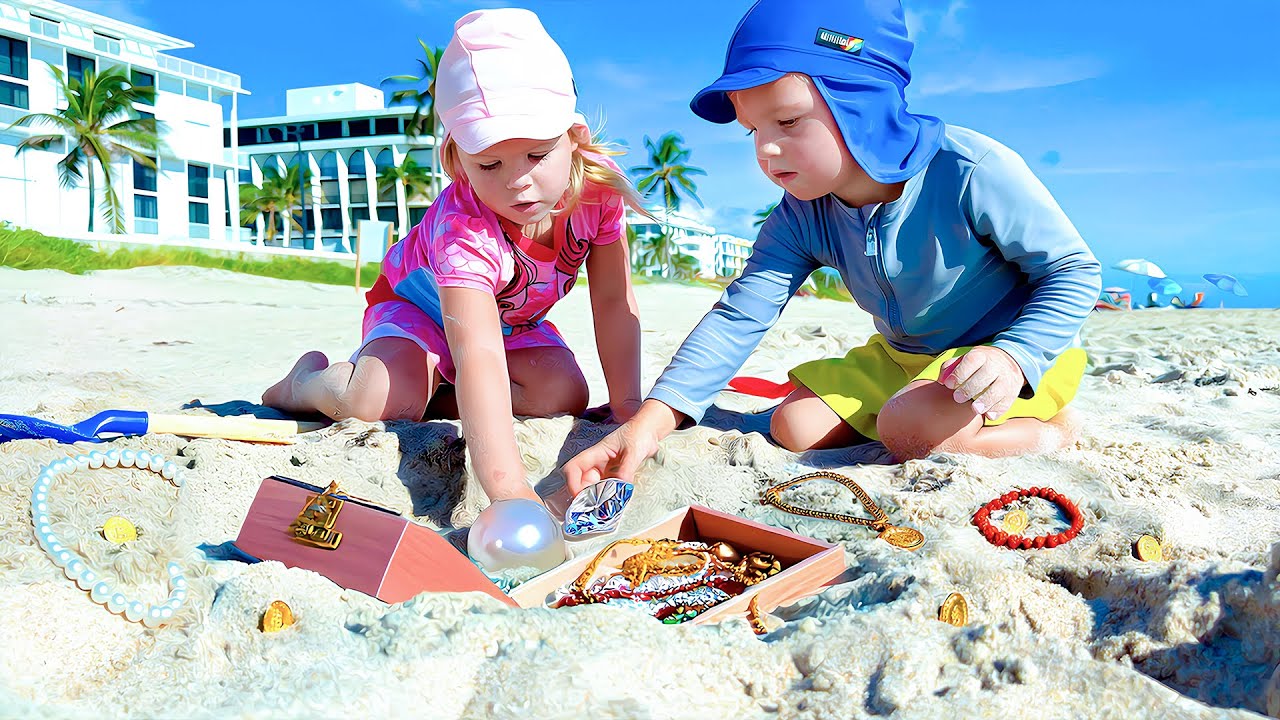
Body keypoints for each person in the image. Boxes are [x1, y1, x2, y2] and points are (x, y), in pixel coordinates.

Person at [563, 0, 1101, 496]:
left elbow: (1073, 271)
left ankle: (1051, 431)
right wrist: (650, 422)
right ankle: (920, 411)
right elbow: (739, 316)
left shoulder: (969, 170)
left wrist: (1014, 356)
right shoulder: (801, 214)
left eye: (789, 120)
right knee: (792, 427)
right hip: (903, 358)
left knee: (906, 428)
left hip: (1003, 356)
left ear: (863, 102)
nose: (767, 148)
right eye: (752, 130)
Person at [264, 8, 645, 505]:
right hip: (418, 312)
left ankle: (438, 391)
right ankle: (304, 382)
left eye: (536, 155)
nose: (517, 180)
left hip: (509, 321)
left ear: (574, 139)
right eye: (489, 163)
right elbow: (477, 353)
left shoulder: (597, 192)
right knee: (379, 401)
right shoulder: (463, 226)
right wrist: (508, 492)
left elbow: (614, 303)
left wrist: (628, 404)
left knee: (563, 395)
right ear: (456, 161)